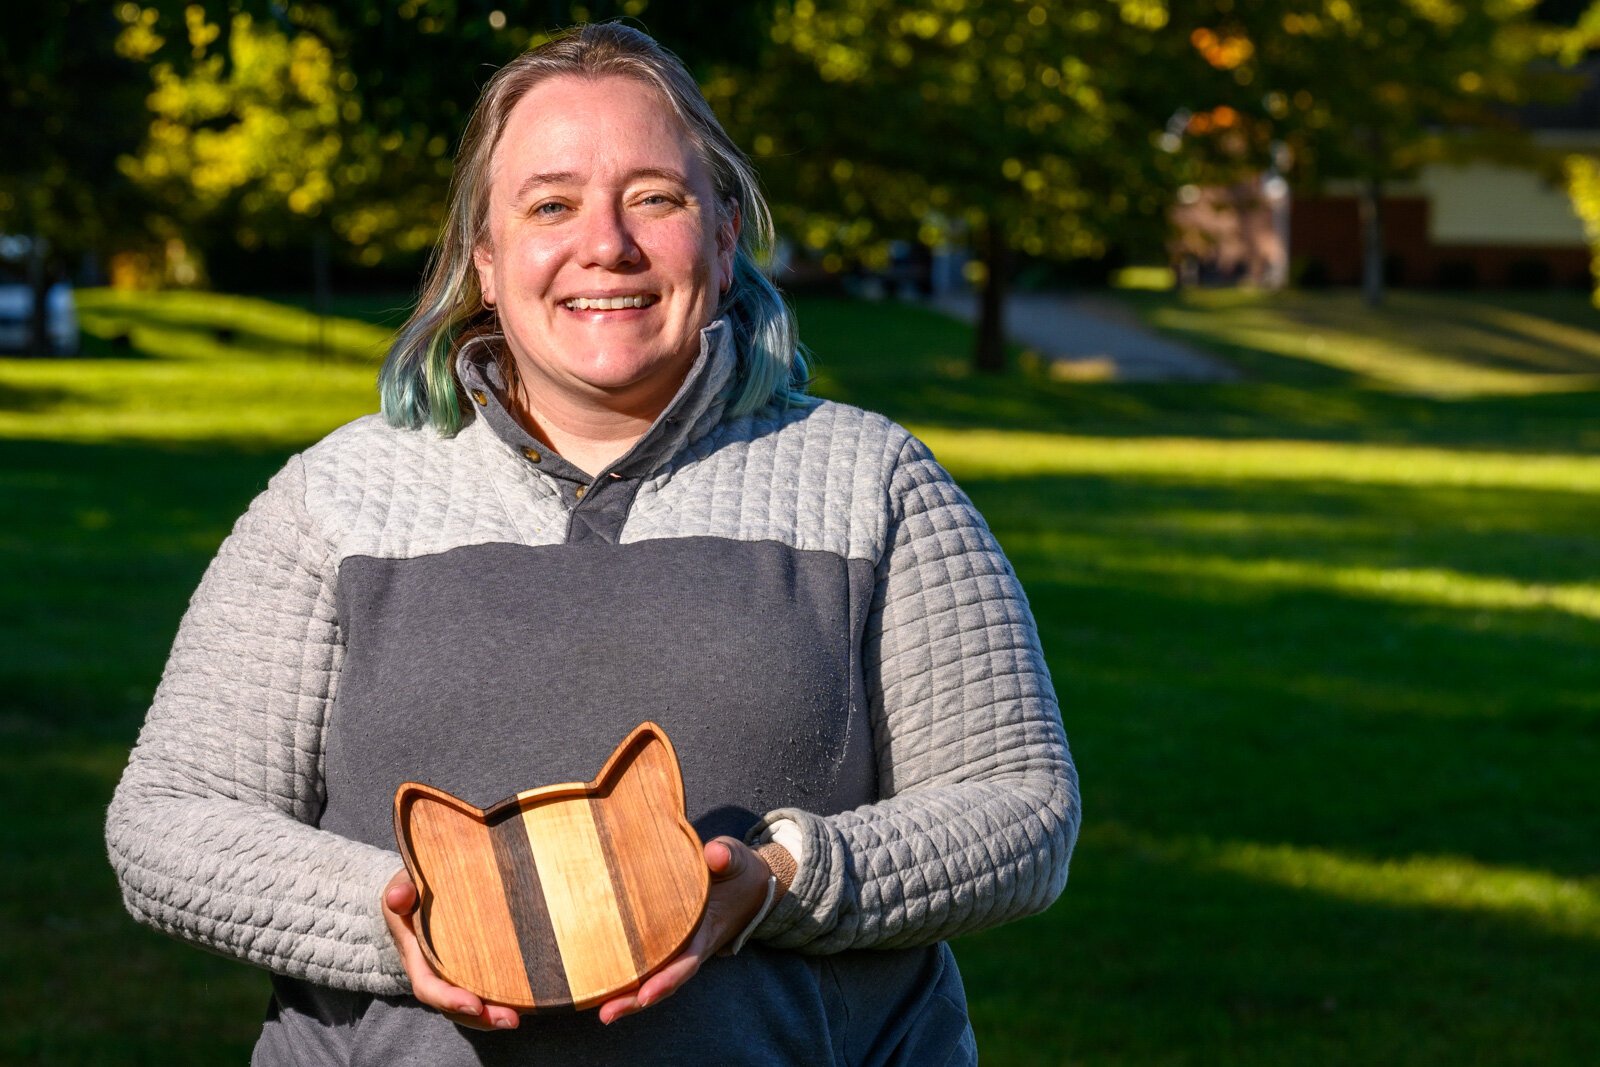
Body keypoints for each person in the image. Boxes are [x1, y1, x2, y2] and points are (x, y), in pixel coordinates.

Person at [105, 22, 1079, 1066]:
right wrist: (404, 911)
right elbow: (170, 821)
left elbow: (1020, 809)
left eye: (653, 196)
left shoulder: (871, 482)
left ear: (723, 230)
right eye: (550, 204)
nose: (604, 243)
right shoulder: (337, 500)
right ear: (483, 257)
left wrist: (787, 876)